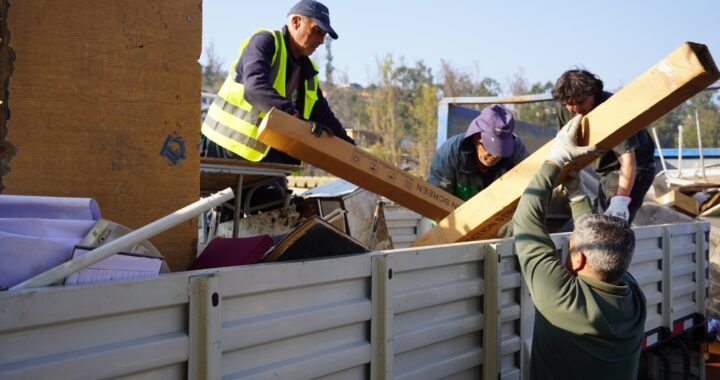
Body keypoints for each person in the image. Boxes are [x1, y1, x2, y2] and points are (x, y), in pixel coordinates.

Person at [513, 115, 647, 379]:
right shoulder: (633, 300)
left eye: (570, 246)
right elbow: (598, 242)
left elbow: (525, 218)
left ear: (579, 260)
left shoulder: (563, 298)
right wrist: (577, 195)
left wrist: (556, 158)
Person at [201, 0, 355, 165]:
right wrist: (298, 121)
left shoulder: (307, 72)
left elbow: (324, 116)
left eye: (323, 35)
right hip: (223, 142)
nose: (321, 41)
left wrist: (354, 151)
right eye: (317, 31)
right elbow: (255, 87)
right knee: (270, 188)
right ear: (296, 22)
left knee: (275, 189)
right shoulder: (264, 42)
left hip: (257, 151)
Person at [553, 69, 655, 224]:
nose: (577, 110)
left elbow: (628, 161)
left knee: (610, 225)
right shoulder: (564, 105)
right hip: (605, 170)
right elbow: (565, 145)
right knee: (599, 220)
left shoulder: (612, 108)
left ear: (594, 93)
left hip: (634, 166)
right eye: (571, 105)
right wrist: (562, 175)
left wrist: (620, 201)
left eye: (581, 102)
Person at [427, 104, 528, 201]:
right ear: (476, 137)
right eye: (491, 147)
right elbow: (437, 200)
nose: (496, 155)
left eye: (501, 150)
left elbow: (530, 188)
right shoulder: (449, 155)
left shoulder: (517, 150)